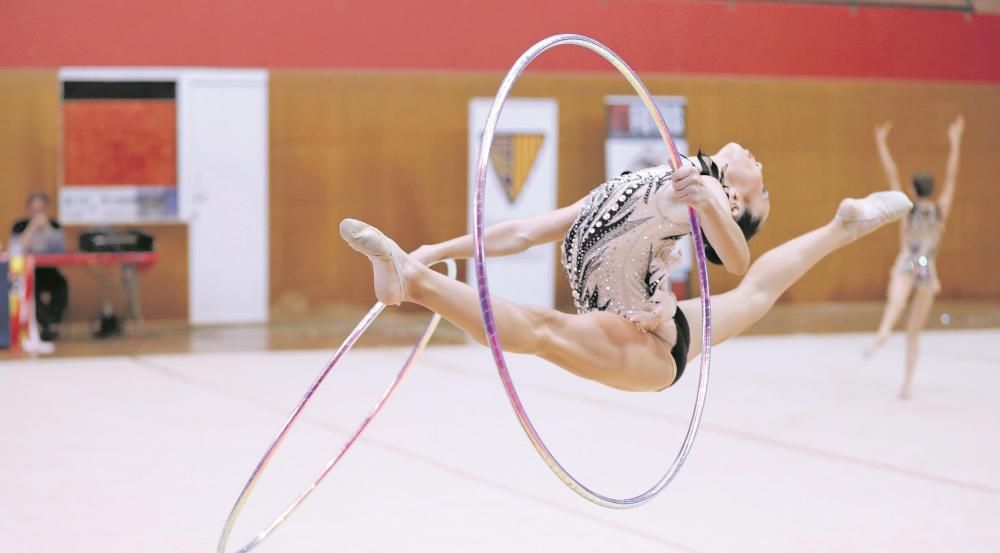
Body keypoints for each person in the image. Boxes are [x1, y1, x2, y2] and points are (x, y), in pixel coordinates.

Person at [340, 143, 911, 392]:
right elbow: (525, 231)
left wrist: (711, 202)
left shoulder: (703, 196)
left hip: (644, 342)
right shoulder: (662, 178)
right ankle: (846, 227)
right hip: (642, 322)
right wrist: (439, 247)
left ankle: (413, 284)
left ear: (739, 205)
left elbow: (736, 261)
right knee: (759, 297)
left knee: (542, 329)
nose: (760, 164)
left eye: (764, 191)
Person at [866, 116, 965, 399]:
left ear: (912, 189)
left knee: (895, 303)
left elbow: (891, 175)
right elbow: (953, 177)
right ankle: (907, 384)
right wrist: (955, 141)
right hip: (927, 267)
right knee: (913, 332)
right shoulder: (940, 209)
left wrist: (881, 142)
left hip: (908, 261)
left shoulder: (906, 207)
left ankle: (884, 329)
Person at [10, 192, 68, 341]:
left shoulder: (54, 225)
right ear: (28, 210)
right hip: (28, 272)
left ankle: (53, 324)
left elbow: (60, 248)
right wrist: (31, 228)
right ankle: (40, 324)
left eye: (41, 209)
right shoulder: (20, 226)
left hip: (49, 270)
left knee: (61, 285)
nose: (38, 213)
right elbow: (16, 250)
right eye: (34, 209)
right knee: (30, 290)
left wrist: (47, 227)